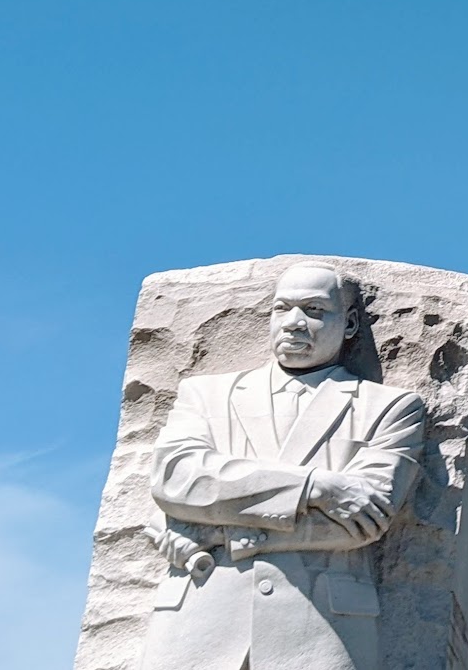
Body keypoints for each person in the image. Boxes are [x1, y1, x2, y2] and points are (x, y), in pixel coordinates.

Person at [138, 262, 427, 670]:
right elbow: (176, 479)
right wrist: (316, 487)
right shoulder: (205, 395)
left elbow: (364, 520)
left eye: (313, 310)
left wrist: (219, 527)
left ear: (349, 324)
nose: (293, 323)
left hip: (322, 631)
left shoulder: (390, 408)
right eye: (282, 308)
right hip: (199, 621)